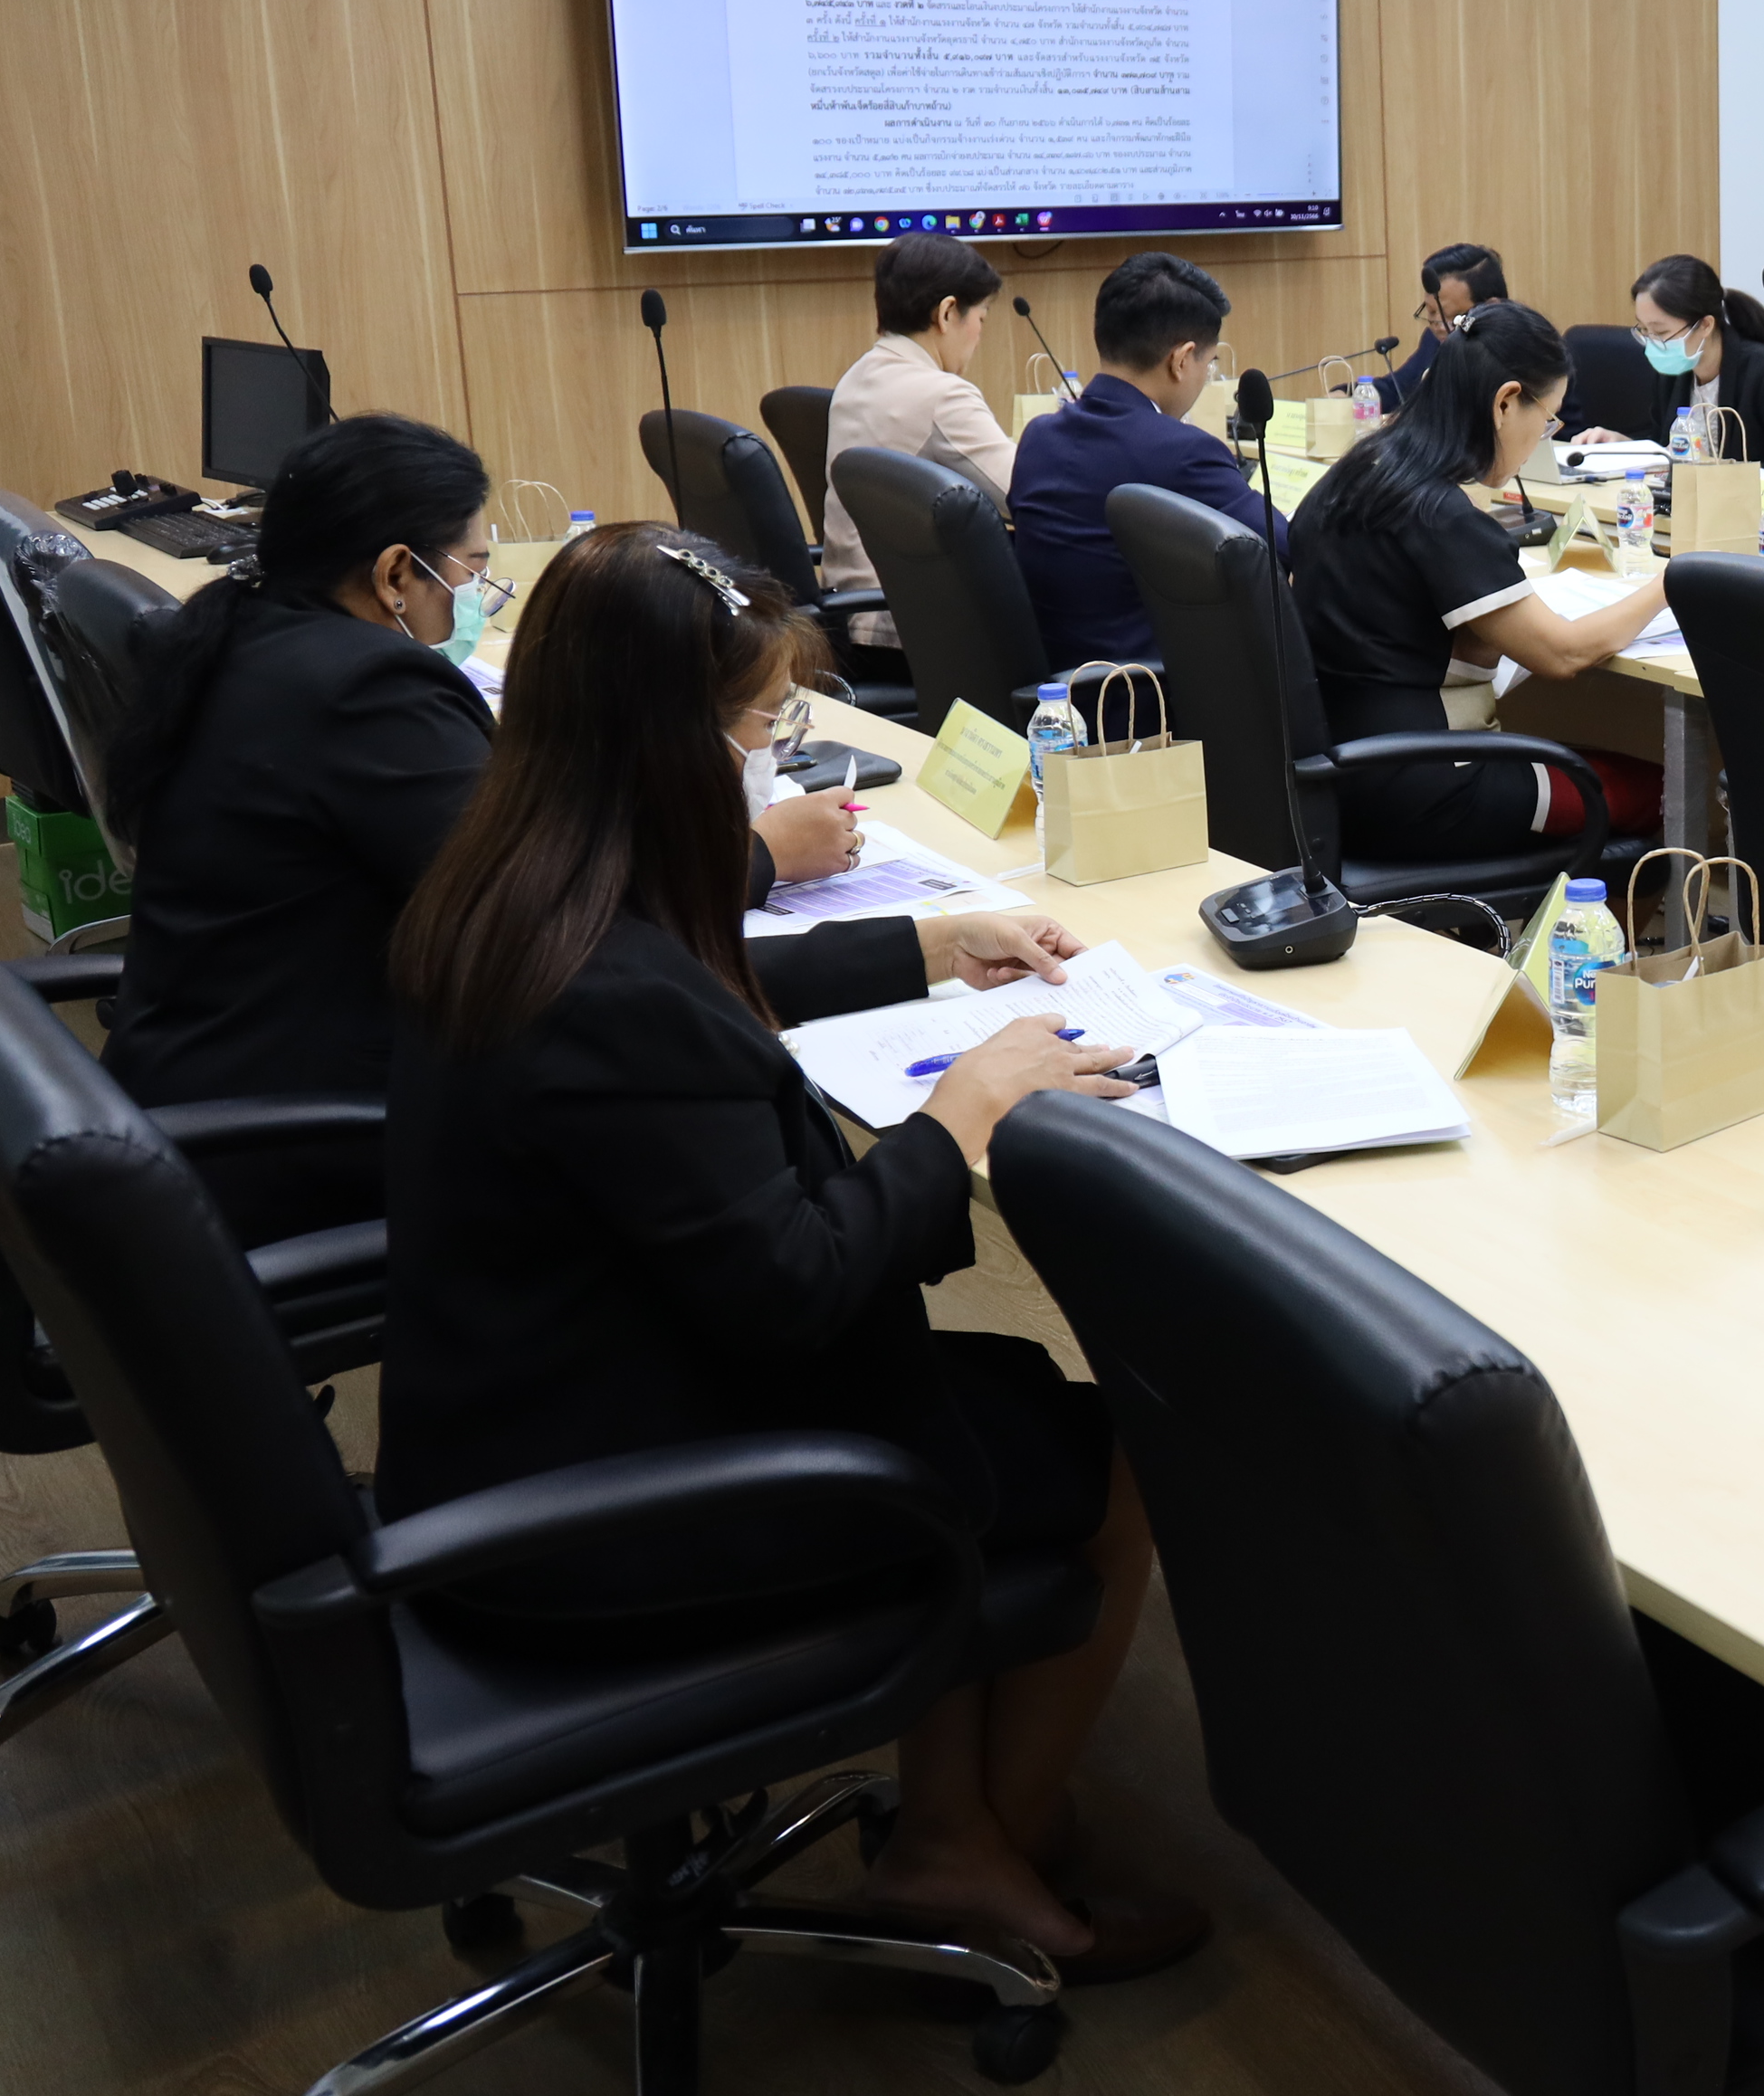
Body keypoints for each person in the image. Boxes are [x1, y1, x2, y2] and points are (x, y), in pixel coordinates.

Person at [377, 524, 1201, 1980]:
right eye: (761, 730)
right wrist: (962, 1112)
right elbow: (802, 1286)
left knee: (979, 1382)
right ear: (670, 746)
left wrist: (928, 950)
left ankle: (960, 1820)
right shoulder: (615, 998)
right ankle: (979, 1857)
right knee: (1124, 1445)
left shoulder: (512, 888)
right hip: (615, 1516)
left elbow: (695, 990)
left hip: (513, 1425)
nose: (775, 763)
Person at [95, 415, 857, 1232]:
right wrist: (758, 856)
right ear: (396, 573)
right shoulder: (369, 693)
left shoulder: (252, 635)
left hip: (204, 1079)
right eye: (472, 568)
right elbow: (563, 927)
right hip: (299, 1134)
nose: (475, 595)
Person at [1289, 304, 1665, 857]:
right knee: (1664, 792)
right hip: (1431, 783)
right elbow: (1562, 654)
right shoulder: (1439, 513)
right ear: (1505, 402)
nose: (1543, 436)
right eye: (1548, 420)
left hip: (1339, 771)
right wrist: (1671, 583)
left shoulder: (1355, 473)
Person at [1007, 252, 1274, 669]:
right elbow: (1283, 548)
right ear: (1182, 360)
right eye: (1208, 364)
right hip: (1144, 692)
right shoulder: (1183, 452)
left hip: (1054, 687)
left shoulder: (1038, 437)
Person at [821, 232, 1017, 651]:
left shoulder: (857, 375)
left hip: (849, 617)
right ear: (947, 313)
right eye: (981, 319)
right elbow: (1024, 494)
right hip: (913, 634)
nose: (979, 336)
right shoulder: (942, 395)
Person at [1570, 254, 1764, 472]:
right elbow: (1668, 448)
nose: (1653, 343)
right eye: (1644, 330)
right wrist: (1623, 446)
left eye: (1661, 332)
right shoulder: (1674, 371)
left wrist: (1723, 472)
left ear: (1705, 325)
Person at [1365, 241, 1503, 414]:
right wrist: (1346, 395)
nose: (1439, 326)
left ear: (1490, 307)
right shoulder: (1434, 339)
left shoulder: (1517, 349)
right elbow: (1397, 388)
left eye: (1453, 316)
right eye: (1431, 312)